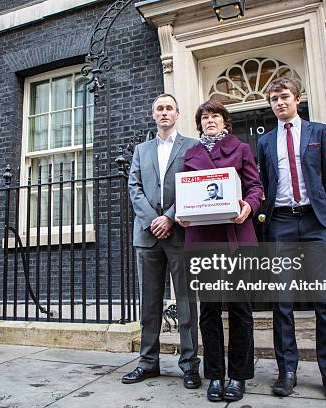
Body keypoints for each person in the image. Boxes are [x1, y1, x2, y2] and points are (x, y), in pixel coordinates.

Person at [256, 77, 326, 401]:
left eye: (284, 97)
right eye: (274, 99)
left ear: (297, 98)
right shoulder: (265, 142)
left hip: (315, 223)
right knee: (283, 302)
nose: (279, 103)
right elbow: (263, 182)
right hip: (280, 223)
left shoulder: (318, 132)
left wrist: (323, 215)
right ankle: (287, 371)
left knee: (325, 303)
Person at [177, 99, 263, 402]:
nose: (209, 120)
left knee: (241, 310)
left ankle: (238, 376)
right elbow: (184, 194)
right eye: (204, 117)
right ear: (199, 123)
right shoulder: (191, 154)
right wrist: (181, 213)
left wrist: (248, 206)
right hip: (203, 239)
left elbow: (256, 188)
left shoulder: (241, 149)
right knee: (209, 311)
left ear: (225, 122)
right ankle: (215, 375)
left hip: (236, 237)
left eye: (215, 116)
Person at [124, 93, 201, 389]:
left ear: (177, 114)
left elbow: (194, 185)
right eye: (159, 108)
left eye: (169, 108)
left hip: (179, 233)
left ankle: (190, 365)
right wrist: (151, 220)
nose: (164, 112)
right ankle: (147, 362)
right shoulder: (142, 150)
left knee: (185, 301)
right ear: (153, 115)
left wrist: (169, 216)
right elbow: (134, 186)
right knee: (149, 304)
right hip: (146, 235)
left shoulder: (191, 147)